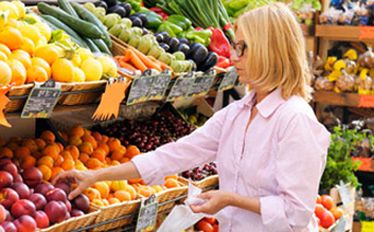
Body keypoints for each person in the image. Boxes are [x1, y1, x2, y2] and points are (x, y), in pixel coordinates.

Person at [54, 3, 330, 231]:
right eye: (235, 46)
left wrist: (230, 199)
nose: (233, 57)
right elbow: (174, 154)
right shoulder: (237, 113)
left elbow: (296, 212)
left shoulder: (295, 120)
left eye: (243, 48)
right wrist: (96, 175)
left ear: (270, 52)